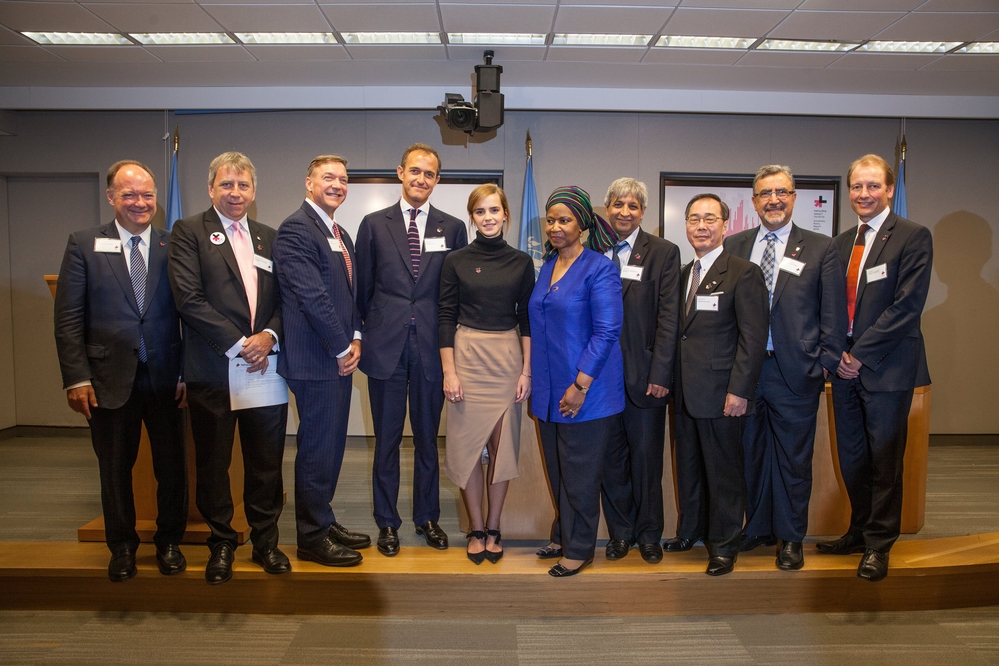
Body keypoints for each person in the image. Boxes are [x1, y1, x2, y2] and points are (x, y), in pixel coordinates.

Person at [54, 160, 188, 582]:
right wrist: (77, 377)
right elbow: (68, 318)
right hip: (107, 379)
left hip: (167, 376)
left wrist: (186, 371)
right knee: (114, 469)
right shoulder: (83, 244)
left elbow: (190, 314)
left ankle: (169, 543)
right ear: (111, 197)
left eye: (147, 194)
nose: (140, 202)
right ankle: (123, 547)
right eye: (129, 194)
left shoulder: (174, 245)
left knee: (172, 468)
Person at [168, 152, 288, 584]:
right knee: (214, 464)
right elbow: (188, 298)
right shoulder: (187, 232)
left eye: (243, 185)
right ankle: (221, 543)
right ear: (210, 188)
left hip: (264, 370)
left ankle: (265, 543)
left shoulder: (269, 237)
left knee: (265, 463)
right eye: (227, 184)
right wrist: (241, 344)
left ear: (254, 191)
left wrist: (269, 337)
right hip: (214, 369)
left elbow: (284, 301)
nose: (235, 193)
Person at [724, 165, 847, 571]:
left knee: (794, 460)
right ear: (754, 200)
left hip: (795, 371)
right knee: (750, 455)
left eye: (782, 192)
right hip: (746, 371)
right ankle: (758, 527)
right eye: (765, 193)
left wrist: (824, 364)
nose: (773, 199)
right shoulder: (736, 245)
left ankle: (791, 537)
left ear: (794, 197)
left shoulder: (821, 247)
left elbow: (832, 312)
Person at [818, 154, 933, 582]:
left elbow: (907, 307)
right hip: (843, 369)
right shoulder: (841, 242)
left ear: (888, 189)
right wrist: (836, 356)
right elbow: (829, 306)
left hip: (885, 368)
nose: (863, 194)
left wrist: (860, 354)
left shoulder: (913, 237)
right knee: (852, 459)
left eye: (872, 186)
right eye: (856, 187)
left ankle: (880, 544)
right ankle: (859, 530)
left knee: (885, 460)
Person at [355, 143, 468, 556]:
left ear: (437, 180)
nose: (422, 179)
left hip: (432, 350)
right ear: (400, 172)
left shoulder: (453, 228)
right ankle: (387, 522)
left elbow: (452, 295)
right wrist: (364, 333)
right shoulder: (373, 224)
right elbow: (362, 289)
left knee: (426, 441)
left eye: (430, 174)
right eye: (415, 171)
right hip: (385, 347)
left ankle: (427, 518)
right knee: (385, 442)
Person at [273, 155, 370, 568]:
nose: (337, 184)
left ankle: (323, 519)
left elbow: (349, 296)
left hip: (336, 355)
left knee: (330, 446)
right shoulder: (296, 229)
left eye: (343, 179)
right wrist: (341, 346)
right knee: (316, 449)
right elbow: (312, 296)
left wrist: (357, 336)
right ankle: (311, 537)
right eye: (328, 177)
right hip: (315, 358)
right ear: (308, 183)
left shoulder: (340, 232)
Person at [668, 193, 768, 576]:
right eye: (694, 219)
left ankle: (725, 544)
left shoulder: (743, 272)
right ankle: (691, 531)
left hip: (724, 393)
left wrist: (740, 391)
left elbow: (753, 338)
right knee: (690, 468)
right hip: (685, 393)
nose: (701, 226)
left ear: (726, 225)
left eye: (710, 219)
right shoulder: (681, 274)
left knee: (723, 473)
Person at [529, 185, 624, 577]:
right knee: (559, 470)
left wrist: (580, 385)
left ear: (582, 223)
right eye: (551, 220)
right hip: (550, 391)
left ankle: (581, 547)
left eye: (564, 219)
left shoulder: (599, 268)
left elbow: (606, 331)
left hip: (587, 392)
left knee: (581, 474)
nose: (555, 227)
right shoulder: (547, 266)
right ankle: (566, 534)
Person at [438, 184, 534, 564]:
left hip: (507, 359)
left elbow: (526, 318)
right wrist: (449, 371)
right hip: (467, 358)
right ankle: (475, 528)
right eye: (481, 211)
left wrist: (526, 370)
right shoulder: (456, 260)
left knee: (501, 449)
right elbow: (445, 316)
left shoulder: (522, 262)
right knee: (467, 450)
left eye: (495, 210)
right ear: (472, 216)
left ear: (506, 214)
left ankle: (494, 527)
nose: (489, 217)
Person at [599, 178, 680, 565]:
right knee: (611, 460)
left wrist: (661, 374)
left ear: (643, 212)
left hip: (645, 378)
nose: (624, 212)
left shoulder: (663, 253)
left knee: (647, 460)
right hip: (598, 380)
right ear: (606, 208)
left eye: (633, 206)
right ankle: (619, 534)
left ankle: (649, 534)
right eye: (618, 204)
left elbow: (669, 320)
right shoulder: (592, 250)